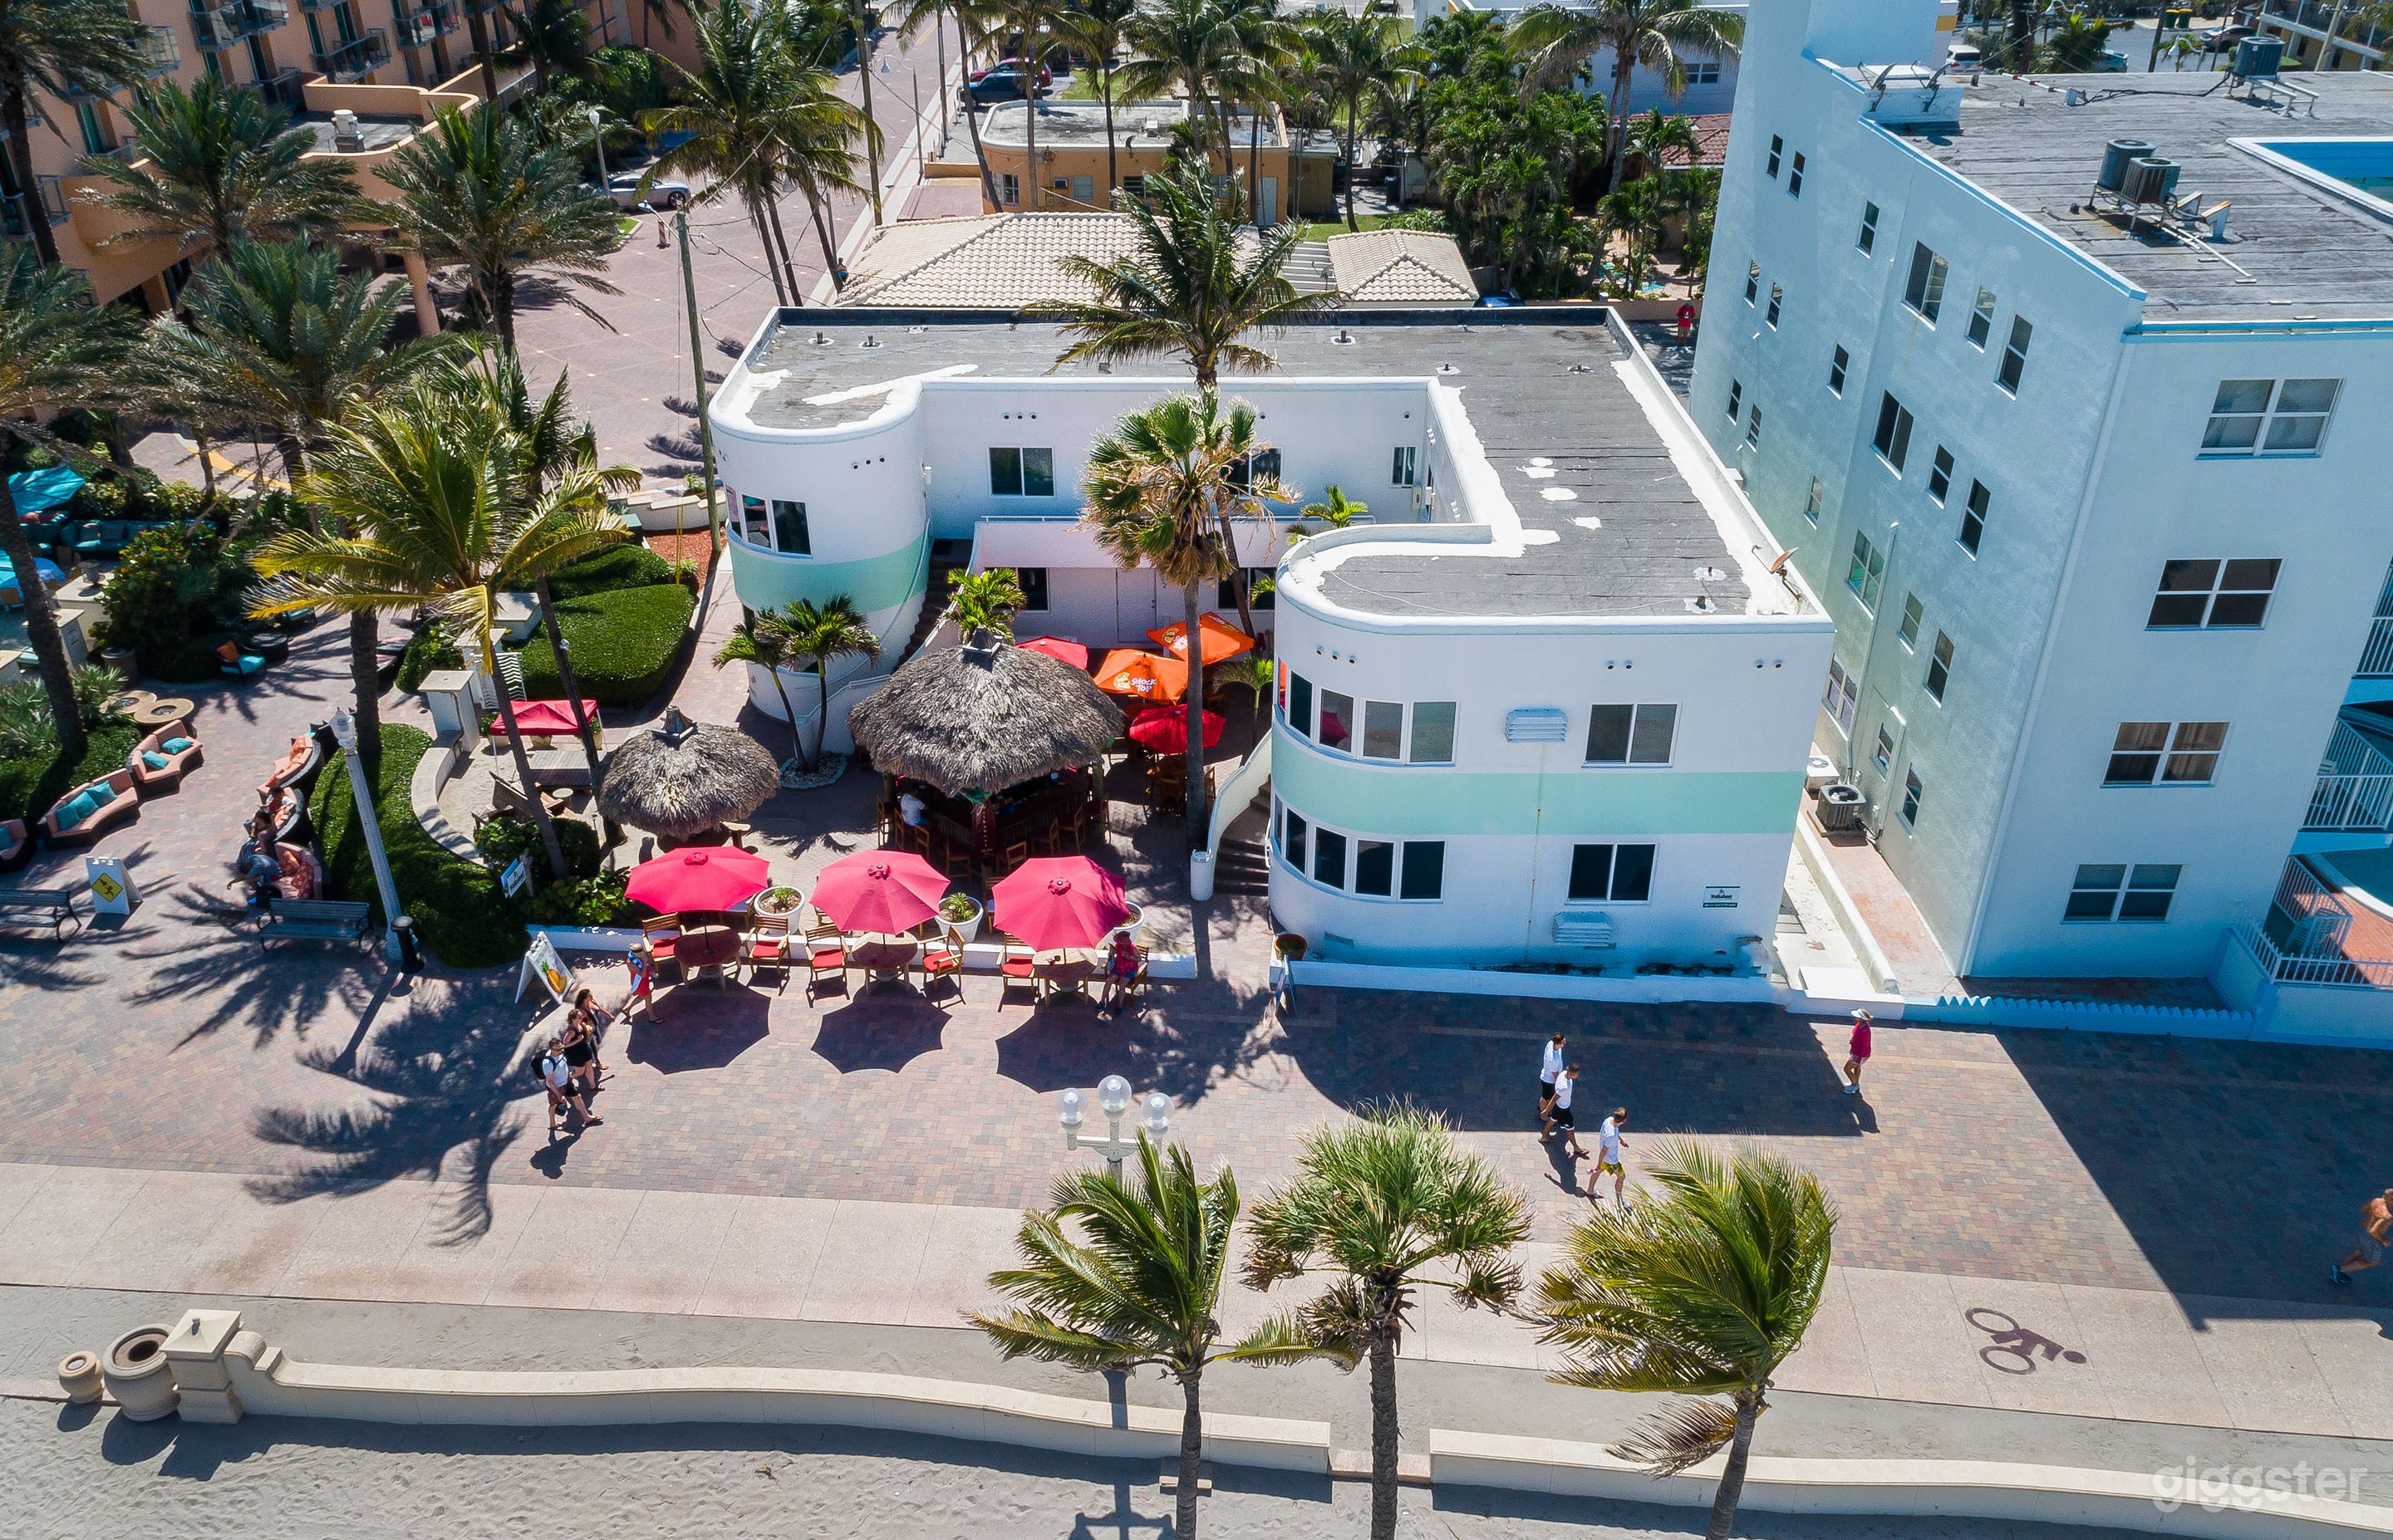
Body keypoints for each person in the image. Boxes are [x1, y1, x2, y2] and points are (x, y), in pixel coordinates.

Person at [538, 1037, 599, 1135]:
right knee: (553, 1105)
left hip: (566, 1082)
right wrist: (559, 1095)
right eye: (557, 1049)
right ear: (551, 1049)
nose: (560, 1050)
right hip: (556, 1087)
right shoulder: (548, 1063)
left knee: (577, 1097)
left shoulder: (560, 1053)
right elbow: (550, 1081)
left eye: (561, 1047)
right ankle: (552, 1124)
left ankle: (587, 1118)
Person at [2332, 1188, 2393, 1285]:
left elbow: (2363, 1209)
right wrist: (2384, 1240)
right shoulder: (2388, 1217)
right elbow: (2372, 1231)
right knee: (2373, 1262)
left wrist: (2373, 1217)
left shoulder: (2376, 1200)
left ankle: (2339, 1273)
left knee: (2358, 1253)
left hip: (2362, 1231)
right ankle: (2339, 1269)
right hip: (2371, 1239)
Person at [1546, 1067, 1588, 1159]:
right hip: (1564, 1110)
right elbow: (1554, 1098)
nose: (1578, 1076)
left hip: (1560, 1105)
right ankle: (1576, 1148)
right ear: (1572, 1074)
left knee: (1553, 1120)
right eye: (1577, 1074)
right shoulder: (1564, 1087)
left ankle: (1544, 1137)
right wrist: (1546, 1110)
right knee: (1570, 1128)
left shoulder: (1563, 1073)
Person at [1591, 1108, 1629, 1208]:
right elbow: (1604, 1150)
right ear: (1624, 1121)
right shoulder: (1611, 1136)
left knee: (1597, 1172)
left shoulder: (1608, 1120)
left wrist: (1621, 1140)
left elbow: (1615, 1131)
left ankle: (1590, 1191)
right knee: (1622, 1177)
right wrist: (1598, 1164)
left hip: (1605, 1159)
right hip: (1611, 1161)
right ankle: (1620, 1201)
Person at [1098, 929, 1141, 1013]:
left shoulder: (1133, 948)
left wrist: (1129, 956)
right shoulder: (1118, 945)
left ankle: (1120, 1006)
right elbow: (1113, 954)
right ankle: (1102, 1002)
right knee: (1108, 981)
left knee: (1122, 984)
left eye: (1121, 941)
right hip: (1118, 967)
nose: (1119, 942)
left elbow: (1139, 959)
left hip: (1130, 969)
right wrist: (1112, 952)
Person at [1537, 1033, 1566, 1127]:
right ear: (1558, 1044)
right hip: (1549, 1080)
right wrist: (1559, 1083)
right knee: (1547, 1097)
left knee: (1547, 1096)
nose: (1565, 1042)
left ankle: (1543, 1108)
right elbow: (1555, 1074)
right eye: (1563, 1042)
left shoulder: (1551, 1044)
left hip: (1546, 1074)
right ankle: (1544, 1115)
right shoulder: (1554, 1060)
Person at [1843, 1010, 1873, 1096]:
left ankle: (1855, 1084)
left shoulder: (1865, 1032)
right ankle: (1855, 1083)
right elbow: (1856, 1034)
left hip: (1859, 1055)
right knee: (1857, 1068)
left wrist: (1858, 1059)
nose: (1855, 1018)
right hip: (1856, 1052)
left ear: (1861, 1019)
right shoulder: (1860, 1025)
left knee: (1847, 1069)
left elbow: (1864, 1046)